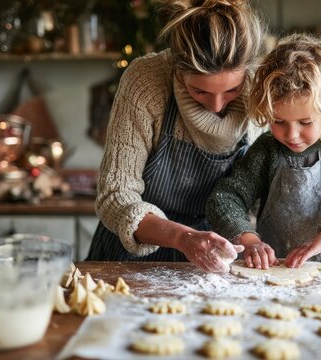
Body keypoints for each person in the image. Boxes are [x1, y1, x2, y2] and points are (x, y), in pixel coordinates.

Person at [86, 0, 266, 273]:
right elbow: (115, 196)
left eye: (231, 90)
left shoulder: (260, 88)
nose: (217, 106)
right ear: (178, 70)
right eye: (200, 91)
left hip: (219, 258)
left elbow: (255, 196)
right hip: (130, 256)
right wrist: (183, 237)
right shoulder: (146, 81)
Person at [206, 33, 321, 270]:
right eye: (278, 121)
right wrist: (249, 239)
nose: (291, 135)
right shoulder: (267, 150)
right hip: (274, 271)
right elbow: (224, 198)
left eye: (305, 122)